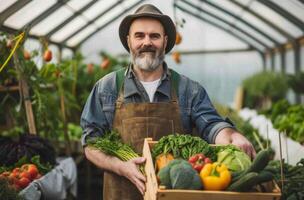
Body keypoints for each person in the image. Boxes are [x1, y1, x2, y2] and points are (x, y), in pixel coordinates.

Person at [81, 4, 256, 200]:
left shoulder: (189, 90)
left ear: (165, 41)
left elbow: (211, 124)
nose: (147, 42)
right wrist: (120, 167)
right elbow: (91, 144)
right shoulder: (107, 88)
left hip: (175, 193)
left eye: (154, 36)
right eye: (139, 35)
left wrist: (231, 136)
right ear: (128, 41)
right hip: (121, 193)